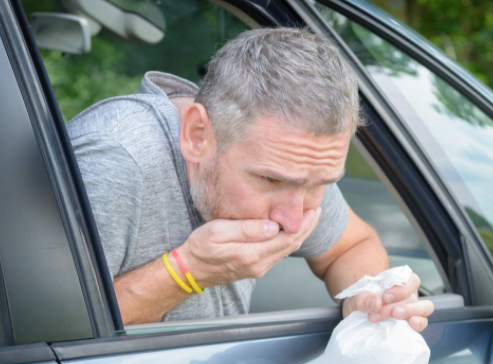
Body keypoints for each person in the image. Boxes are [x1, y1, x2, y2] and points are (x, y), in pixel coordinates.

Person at [67, 27, 434, 328]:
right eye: (271, 181)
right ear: (198, 135)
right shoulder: (115, 160)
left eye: (320, 184)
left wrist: (366, 297)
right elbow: (36, 337)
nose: (292, 222)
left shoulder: (294, 163)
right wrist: (187, 271)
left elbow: (352, 246)